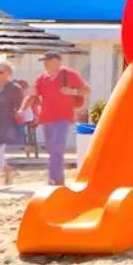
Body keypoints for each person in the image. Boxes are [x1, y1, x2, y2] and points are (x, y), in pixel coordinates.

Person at [26, 52, 88, 187]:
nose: (45, 63)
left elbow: (87, 90)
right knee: (52, 149)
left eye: (47, 61)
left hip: (63, 118)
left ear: (57, 61)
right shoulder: (42, 78)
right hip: (47, 118)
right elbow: (34, 94)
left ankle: (53, 179)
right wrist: (25, 105)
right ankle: (59, 179)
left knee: (57, 149)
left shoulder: (69, 74)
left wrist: (72, 92)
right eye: (44, 61)